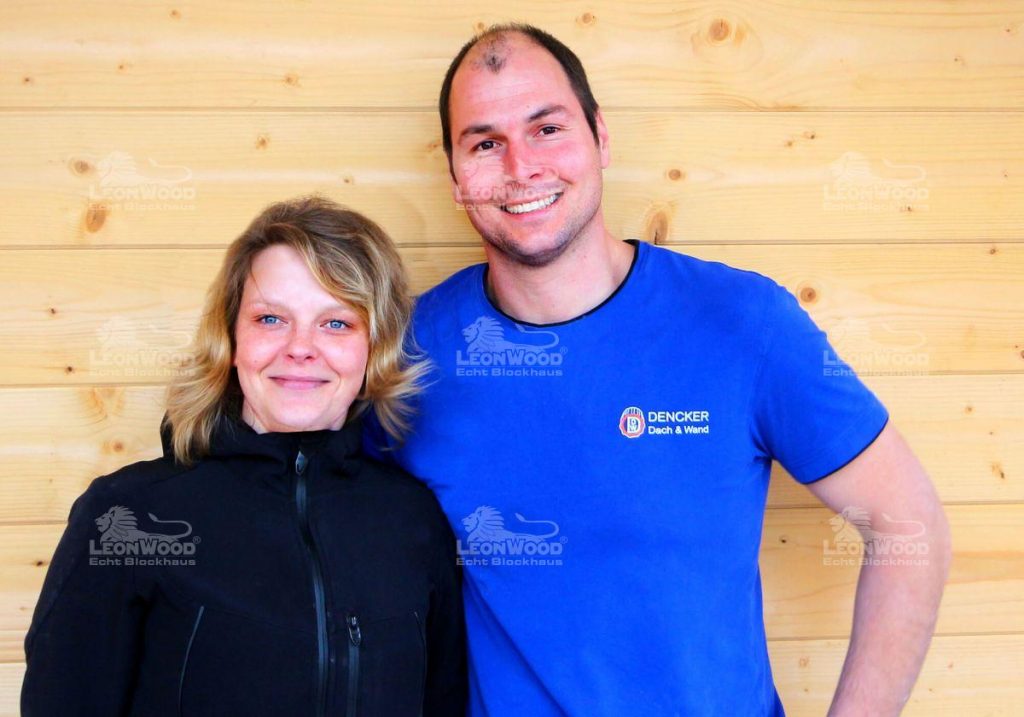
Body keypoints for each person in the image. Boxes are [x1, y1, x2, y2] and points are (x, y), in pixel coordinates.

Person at [367, 23, 952, 716]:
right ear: (455, 176)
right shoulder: (407, 353)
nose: (521, 165)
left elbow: (908, 521)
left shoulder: (741, 323)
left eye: (547, 128)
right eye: (485, 143)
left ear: (600, 137)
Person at [22, 196, 467, 716]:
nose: (300, 347)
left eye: (336, 323)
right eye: (271, 318)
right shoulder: (128, 514)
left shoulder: (413, 521)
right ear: (231, 338)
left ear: (375, 347)